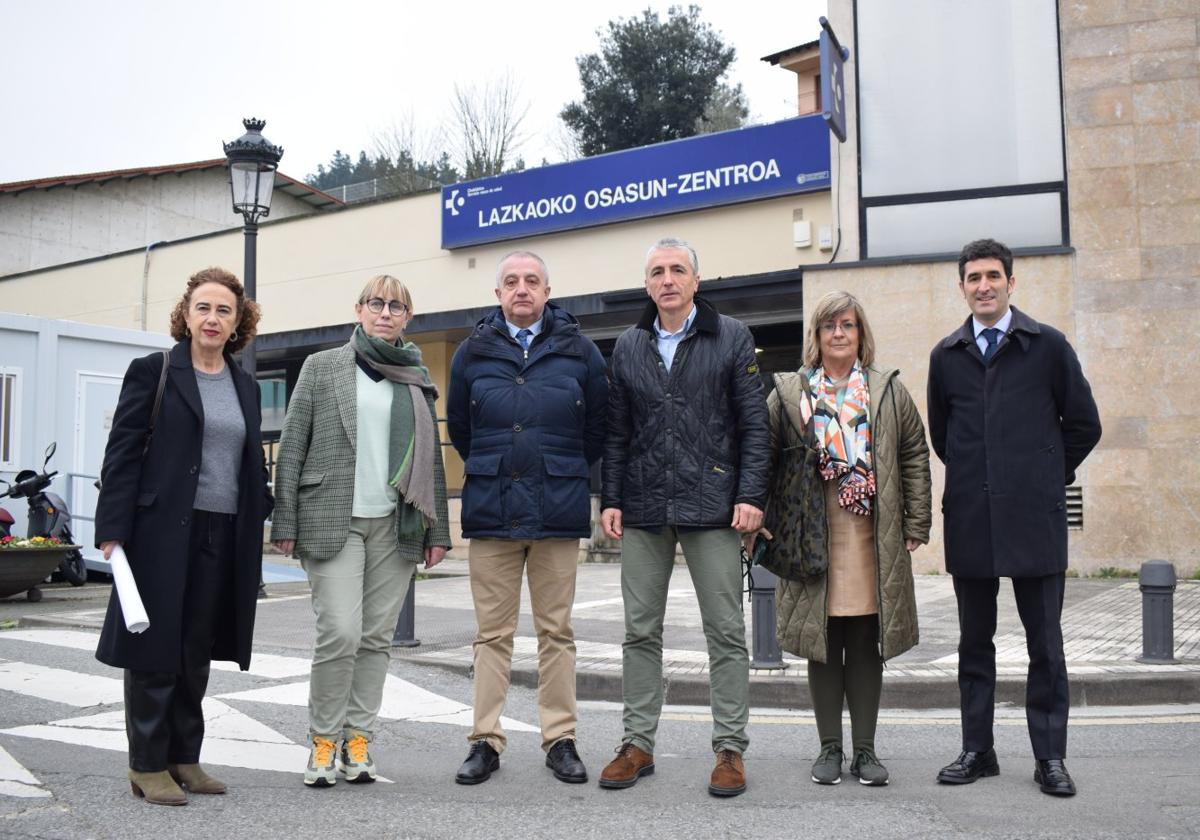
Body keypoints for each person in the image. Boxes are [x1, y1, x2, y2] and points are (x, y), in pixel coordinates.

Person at [928, 238, 1101, 797]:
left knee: (1045, 645)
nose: (983, 286)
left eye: (992, 276)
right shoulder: (945, 355)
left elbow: (1084, 424)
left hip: (1035, 518)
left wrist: (1046, 476)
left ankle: (1050, 757)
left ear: (1011, 282)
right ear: (962, 286)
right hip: (972, 519)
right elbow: (943, 437)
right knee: (974, 645)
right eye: (973, 277)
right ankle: (978, 750)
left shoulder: (1047, 346)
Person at [94, 267, 272, 806]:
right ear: (186, 314)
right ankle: (147, 765)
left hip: (224, 531)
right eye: (203, 308)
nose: (213, 318)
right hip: (158, 531)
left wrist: (262, 508)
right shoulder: (155, 371)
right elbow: (123, 452)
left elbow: (248, 462)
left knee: (196, 650)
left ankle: (183, 757)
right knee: (154, 651)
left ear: (238, 322)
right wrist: (112, 529)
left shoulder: (244, 383)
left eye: (224, 310)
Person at [598, 237, 769, 797]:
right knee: (639, 631)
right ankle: (638, 743)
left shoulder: (731, 337)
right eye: (656, 272)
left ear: (696, 280)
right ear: (647, 285)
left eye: (677, 270)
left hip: (713, 506)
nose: (667, 279)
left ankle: (729, 750)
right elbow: (617, 432)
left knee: (725, 631)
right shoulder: (628, 344)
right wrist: (612, 498)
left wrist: (751, 496)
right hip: (645, 506)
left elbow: (754, 427)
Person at [272, 275, 451, 788]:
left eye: (396, 306)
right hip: (333, 517)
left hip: (396, 522)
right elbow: (293, 443)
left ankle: (358, 740)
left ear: (407, 317)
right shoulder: (323, 366)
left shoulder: (414, 375)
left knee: (375, 638)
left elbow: (428, 458)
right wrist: (285, 517)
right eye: (377, 303)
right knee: (340, 633)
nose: (385, 312)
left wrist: (436, 529)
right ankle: (324, 740)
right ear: (359, 309)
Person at [446, 251, 608, 785]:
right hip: (492, 511)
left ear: (547, 290)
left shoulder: (580, 351)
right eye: (511, 282)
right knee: (492, 635)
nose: (522, 289)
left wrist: (557, 470)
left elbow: (596, 433)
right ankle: (484, 741)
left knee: (555, 632)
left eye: (531, 281)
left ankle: (560, 739)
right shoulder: (471, 352)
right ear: (498, 294)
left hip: (556, 509)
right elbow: (464, 432)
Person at [765, 291, 931, 787]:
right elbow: (764, 457)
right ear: (815, 336)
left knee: (864, 640)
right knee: (823, 639)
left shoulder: (887, 390)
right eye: (829, 325)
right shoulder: (790, 392)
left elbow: (914, 455)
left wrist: (916, 522)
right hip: (812, 534)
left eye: (848, 324)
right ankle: (828, 749)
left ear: (861, 334)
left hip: (870, 533)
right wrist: (761, 521)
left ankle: (865, 751)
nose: (839, 333)